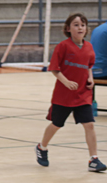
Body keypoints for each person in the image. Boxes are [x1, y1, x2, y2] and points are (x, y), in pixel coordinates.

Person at [35, 13, 106, 173]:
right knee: (56, 124)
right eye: (76, 24)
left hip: (83, 94)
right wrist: (66, 82)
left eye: (82, 25)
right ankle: (42, 147)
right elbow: (54, 68)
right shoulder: (63, 46)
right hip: (63, 96)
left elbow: (89, 65)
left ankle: (93, 159)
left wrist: (90, 79)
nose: (80, 27)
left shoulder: (88, 47)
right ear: (68, 28)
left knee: (89, 125)